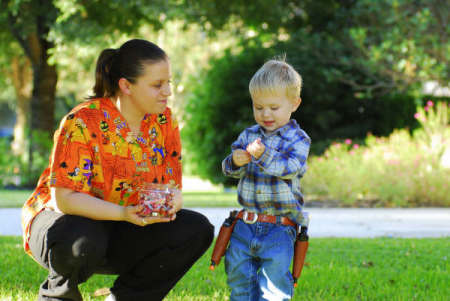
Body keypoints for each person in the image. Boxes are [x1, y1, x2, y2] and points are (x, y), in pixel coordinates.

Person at [21, 39, 214, 301]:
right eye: (157, 85)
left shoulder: (165, 122)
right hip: (63, 224)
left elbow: (173, 190)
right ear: (126, 86)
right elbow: (64, 200)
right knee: (82, 238)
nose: (167, 91)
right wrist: (122, 212)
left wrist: (168, 205)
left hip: (124, 222)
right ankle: (58, 294)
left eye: (168, 82)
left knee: (195, 228)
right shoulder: (82, 120)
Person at [222, 58, 311, 300]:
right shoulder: (248, 134)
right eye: (258, 107)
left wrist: (264, 155)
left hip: (280, 228)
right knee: (239, 281)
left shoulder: (298, 139)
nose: (265, 114)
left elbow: (290, 168)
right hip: (245, 224)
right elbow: (230, 168)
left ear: (294, 104)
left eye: (273, 107)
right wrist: (235, 161)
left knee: (274, 288)